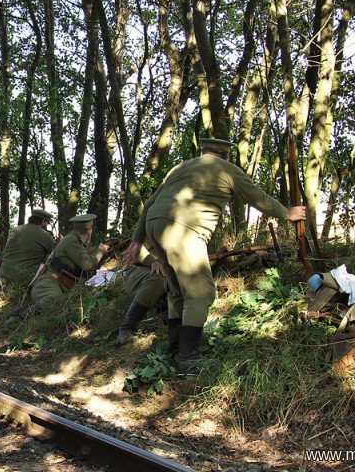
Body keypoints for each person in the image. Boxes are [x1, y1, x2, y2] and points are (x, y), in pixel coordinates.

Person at [125, 137, 307, 373]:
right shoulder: (226, 168)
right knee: (200, 291)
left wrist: (137, 240)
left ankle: (174, 349)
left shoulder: (179, 168)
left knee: (177, 289)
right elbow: (257, 196)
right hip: (184, 229)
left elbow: (149, 203)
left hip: (154, 225)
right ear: (226, 156)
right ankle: (189, 359)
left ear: (202, 153)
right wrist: (286, 212)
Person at [18, 214, 110, 317]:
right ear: (89, 231)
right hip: (47, 282)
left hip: (58, 283)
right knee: (56, 301)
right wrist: (100, 251)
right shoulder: (71, 240)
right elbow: (87, 264)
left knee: (64, 302)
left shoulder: (76, 242)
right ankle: (22, 315)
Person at [114, 244, 168, 345]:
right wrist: (153, 262)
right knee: (159, 279)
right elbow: (136, 247)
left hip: (165, 272)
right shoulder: (153, 227)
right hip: (135, 270)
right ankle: (126, 328)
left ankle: (157, 316)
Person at [0, 209, 57, 290]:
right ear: (43, 221)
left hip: (3, 275)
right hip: (24, 278)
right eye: (47, 222)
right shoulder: (44, 235)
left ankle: (7, 286)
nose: (47, 225)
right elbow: (57, 253)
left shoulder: (16, 230)